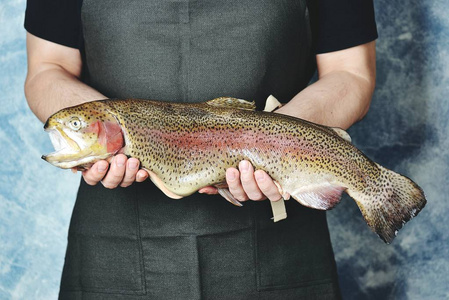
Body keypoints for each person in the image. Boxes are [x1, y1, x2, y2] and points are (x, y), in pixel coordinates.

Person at [25, 0, 377, 299]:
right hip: (112, 252)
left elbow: (350, 73)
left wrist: (273, 140)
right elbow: (47, 67)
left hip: (281, 249)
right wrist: (103, 129)